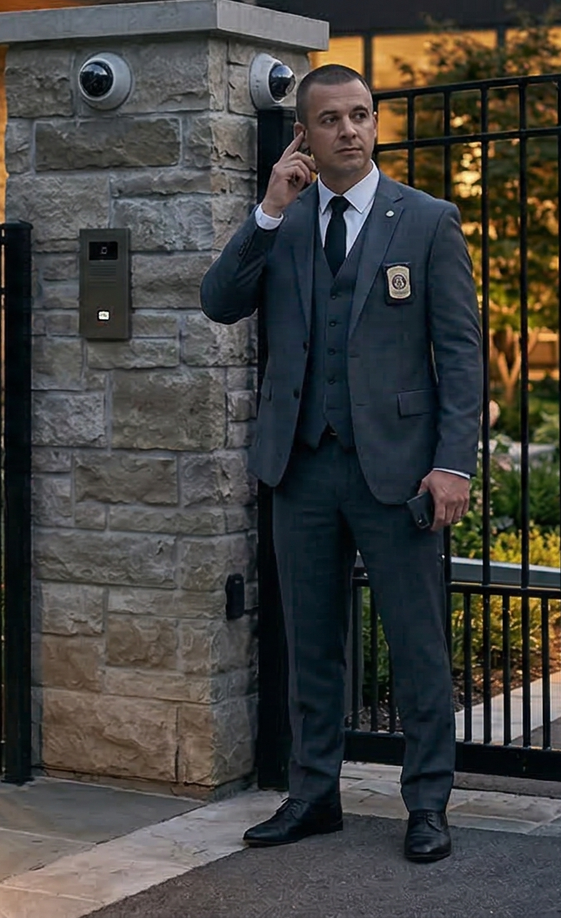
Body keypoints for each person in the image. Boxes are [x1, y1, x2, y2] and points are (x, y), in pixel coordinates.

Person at [200, 63, 482, 863]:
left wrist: (453, 464)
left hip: (399, 472)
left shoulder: (426, 220)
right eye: (331, 120)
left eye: (361, 115)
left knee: (417, 642)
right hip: (303, 467)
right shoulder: (282, 223)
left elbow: (460, 356)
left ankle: (427, 803)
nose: (349, 130)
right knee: (311, 644)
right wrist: (266, 208)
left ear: (374, 123)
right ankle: (313, 794)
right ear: (305, 133)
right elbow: (219, 301)